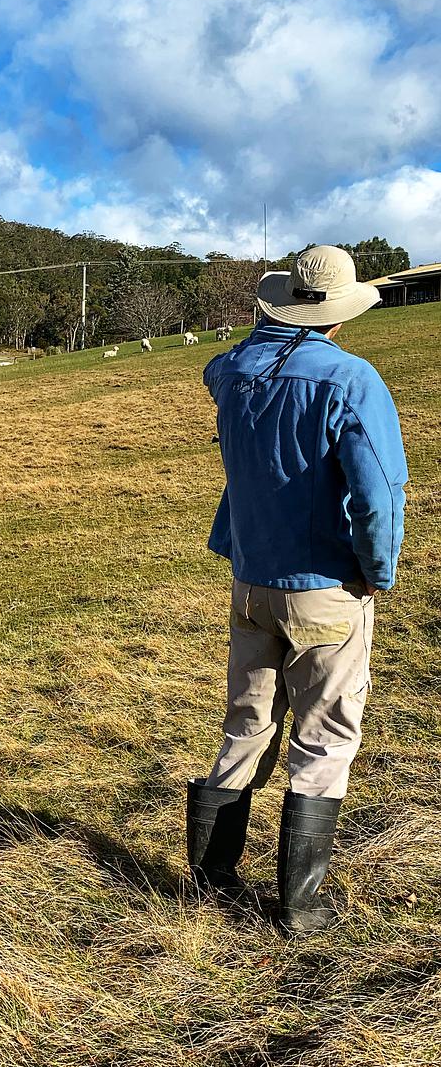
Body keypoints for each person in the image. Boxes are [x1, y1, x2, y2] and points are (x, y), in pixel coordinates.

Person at [189, 246, 408, 934]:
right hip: (324, 587)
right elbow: (379, 495)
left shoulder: (237, 371)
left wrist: (266, 335)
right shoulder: (352, 380)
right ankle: (302, 907)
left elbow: (214, 364)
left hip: (250, 581)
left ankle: (210, 880)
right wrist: (379, 571)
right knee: (325, 736)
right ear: (340, 316)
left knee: (245, 725)